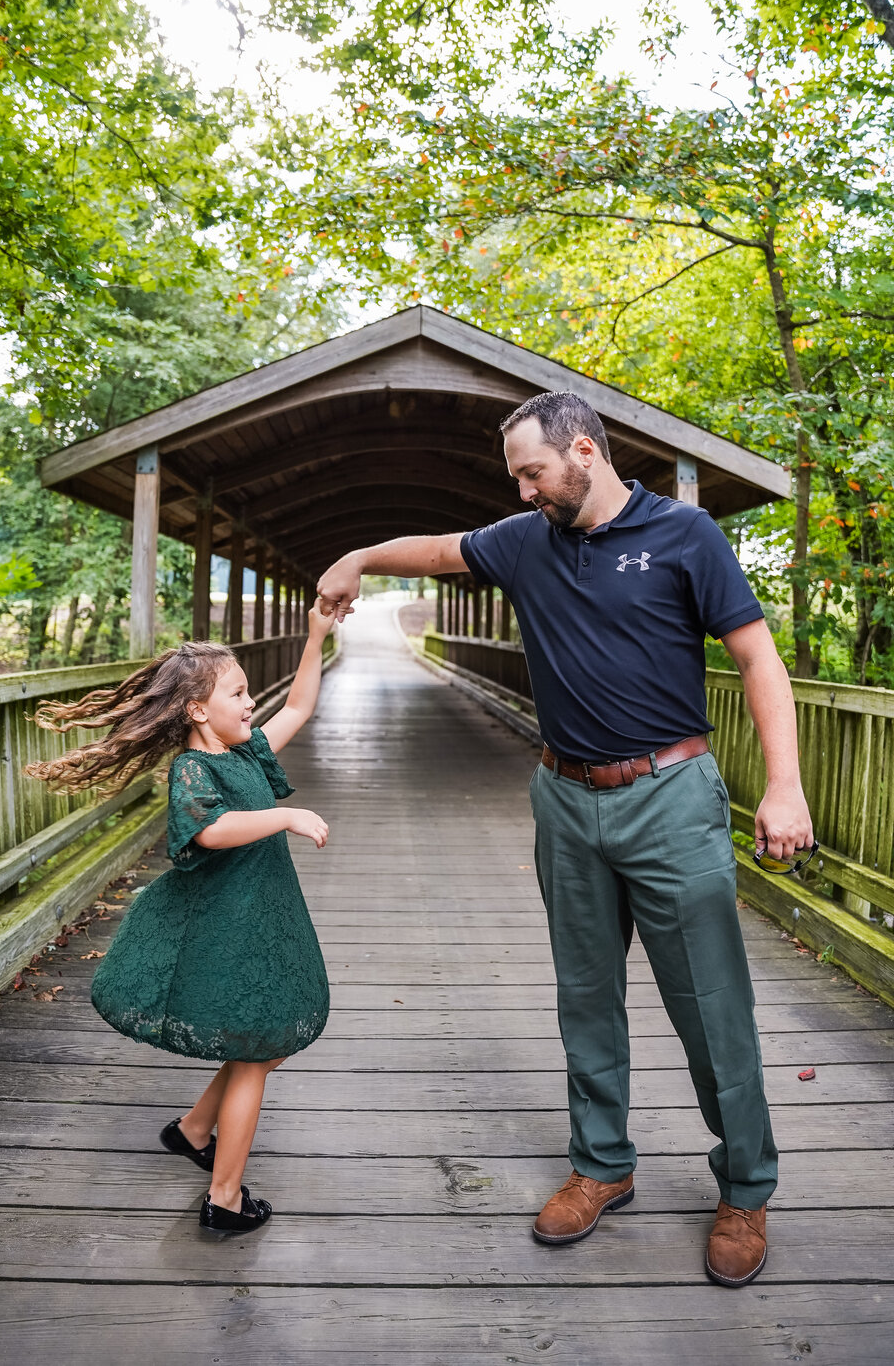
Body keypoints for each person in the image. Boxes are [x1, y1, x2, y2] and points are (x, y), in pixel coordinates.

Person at [317, 391, 814, 1288]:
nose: (524, 490)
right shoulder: (523, 539)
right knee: (585, 995)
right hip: (565, 799)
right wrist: (357, 554)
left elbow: (757, 659)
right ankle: (602, 1165)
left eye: (533, 471)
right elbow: (433, 549)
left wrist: (785, 785)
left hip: (670, 796)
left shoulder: (687, 537)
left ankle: (745, 1186)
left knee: (710, 1004)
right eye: (517, 476)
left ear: (584, 451)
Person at [25, 601, 337, 1238]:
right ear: (198, 710)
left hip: (262, 918)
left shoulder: (246, 753)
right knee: (257, 1053)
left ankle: (194, 1130)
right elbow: (212, 829)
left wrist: (315, 637)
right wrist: (286, 816)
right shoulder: (193, 769)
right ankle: (224, 1198)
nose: (252, 703)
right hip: (229, 925)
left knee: (261, 1048)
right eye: (239, 692)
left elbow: (299, 708)